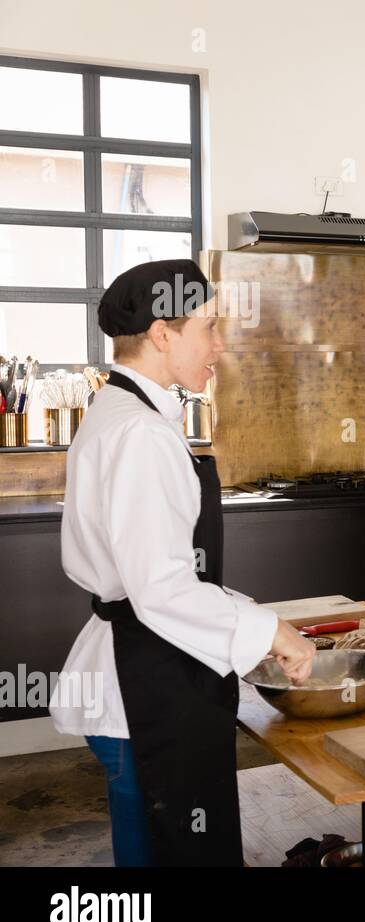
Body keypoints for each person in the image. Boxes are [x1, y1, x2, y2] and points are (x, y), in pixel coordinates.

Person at [51, 259, 315, 866]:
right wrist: (269, 630)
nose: (219, 345)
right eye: (208, 327)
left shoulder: (119, 411)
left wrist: (246, 618)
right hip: (145, 689)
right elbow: (161, 589)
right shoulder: (140, 433)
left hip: (144, 671)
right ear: (163, 334)